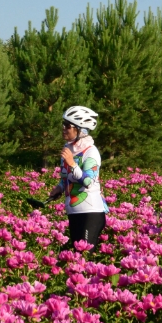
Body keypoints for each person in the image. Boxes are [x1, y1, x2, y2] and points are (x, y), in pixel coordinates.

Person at [46, 106, 107, 249]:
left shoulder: (91, 152)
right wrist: (59, 188)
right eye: (63, 124)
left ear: (80, 129)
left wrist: (72, 164)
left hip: (91, 213)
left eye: (67, 125)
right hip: (73, 212)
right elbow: (66, 178)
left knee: (84, 257)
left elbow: (88, 181)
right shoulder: (68, 150)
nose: (63, 128)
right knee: (75, 260)